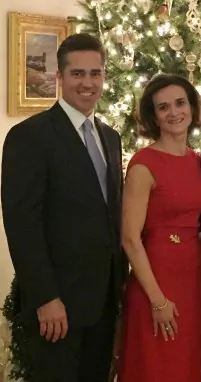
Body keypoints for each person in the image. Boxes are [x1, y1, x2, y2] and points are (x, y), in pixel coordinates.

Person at [1, 33, 128, 382]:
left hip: (102, 303)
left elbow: (110, 217)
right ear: (60, 77)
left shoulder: (110, 137)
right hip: (57, 306)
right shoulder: (30, 137)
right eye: (77, 74)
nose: (87, 83)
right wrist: (45, 298)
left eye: (95, 73)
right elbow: (22, 225)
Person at [117, 73, 201, 382]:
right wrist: (157, 300)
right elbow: (129, 239)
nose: (174, 112)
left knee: (183, 366)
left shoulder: (197, 160)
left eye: (180, 103)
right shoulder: (143, 164)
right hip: (156, 280)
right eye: (163, 107)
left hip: (192, 277)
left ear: (192, 107)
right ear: (153, 116)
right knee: (157, 368)